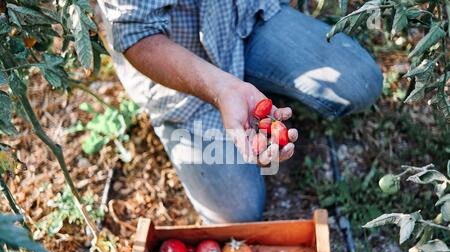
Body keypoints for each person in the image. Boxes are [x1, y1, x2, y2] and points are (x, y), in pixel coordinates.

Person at [97, 0, 383, 224]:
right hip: (182, 64)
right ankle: (235, 91)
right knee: (238, 213)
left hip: (247, 16)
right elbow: (139, 37)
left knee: (361, 82)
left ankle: (252, 81)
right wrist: (221, 89)